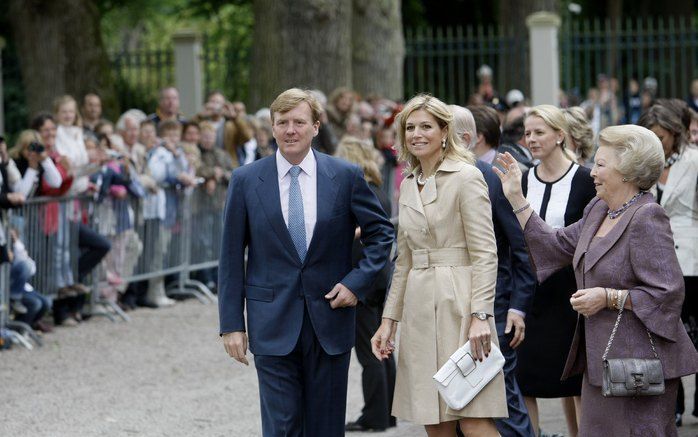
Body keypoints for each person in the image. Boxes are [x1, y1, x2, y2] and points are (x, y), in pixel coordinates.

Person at [494, 124, 698, 437]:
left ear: (628, 172)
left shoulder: (647, 217)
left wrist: (608, 297)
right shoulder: (599, 209)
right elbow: (556, 245)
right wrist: (517, 199)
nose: (591, 172)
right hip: (600, 362)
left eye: (601, 165)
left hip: (638, 368)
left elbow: (667, 294)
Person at [218, 88, 394, 436]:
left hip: (329, 320)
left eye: (299, 122)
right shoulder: (246, 180)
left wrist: (356, 283)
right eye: (282, 122)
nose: (290, 130)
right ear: (271, 128)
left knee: (325, 428)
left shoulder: (345, 176)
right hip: (271, 323)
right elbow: (230, 256)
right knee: (282, 427)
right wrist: (231, 324)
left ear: (316, 126)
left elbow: (381, 234)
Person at [371, 94, 506, 437]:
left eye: (426, 126)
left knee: (473, 416)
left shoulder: (466, 176)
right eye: (410, 127)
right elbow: (403, 261)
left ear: (444, 131)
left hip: (459, 304)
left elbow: (485, 253)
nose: (416, 134)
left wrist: (480, 315)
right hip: (418, 306)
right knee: (433, 418)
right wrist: (389, 320)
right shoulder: (408, 185)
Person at [452, 104, 537, 437]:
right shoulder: (427, 179)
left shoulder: (490, 179)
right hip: (452, 307)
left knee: (503, 401)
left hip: (494, 308)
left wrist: (518, 305)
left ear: (465, 138)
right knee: (461, 398)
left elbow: (520, 247)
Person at [514, 105, 596, 437]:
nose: (531, 139)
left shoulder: (584, 179)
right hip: (530, 290)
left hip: (571, 292)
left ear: (560, 136)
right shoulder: (520, 180)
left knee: (576, 380)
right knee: (525, 378)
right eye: (528, 133)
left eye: (539, 132)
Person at [638, 104, 698, 426]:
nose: (657, 142)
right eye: (651, 136)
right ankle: (672, 405)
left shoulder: (694, 161)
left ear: (675, 135)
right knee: (666, 334)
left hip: (692, 256)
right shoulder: (642, 166)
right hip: (655, 261)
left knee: (695, 332)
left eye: (661, 137)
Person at [335, 136, 396, 433]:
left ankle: (375, 416)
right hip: (379, 278)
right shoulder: (378, 191)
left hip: (365, 280)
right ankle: (388, 411)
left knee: (369, 351)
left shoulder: (360, 193)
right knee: (381, 348)